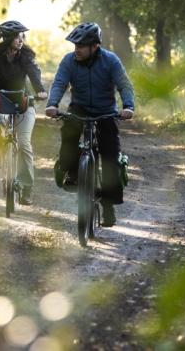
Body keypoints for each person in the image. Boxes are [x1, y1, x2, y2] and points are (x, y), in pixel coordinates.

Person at [45, 22, 135, 226]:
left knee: (111, 154)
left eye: (81, 46)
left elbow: (124, 84)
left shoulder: (110, 60)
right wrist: (52, 104)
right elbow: (60, 82)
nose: (76, 49)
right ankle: (74, 173)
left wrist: (128, 107)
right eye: (75, 45)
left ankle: (108, 206)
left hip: (106, 111)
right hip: (79, 108)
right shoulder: (69, 61)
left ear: (94, 46)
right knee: (68, 133)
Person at [0, 20, 48, 205]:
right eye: (18, 36)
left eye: (22, 36)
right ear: (8, 38)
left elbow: (34, 73)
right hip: (3, 100)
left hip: (24, 102)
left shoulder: (25, 57)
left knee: (24, 143)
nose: (21, 39)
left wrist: (39, 90)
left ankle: (26, 188)